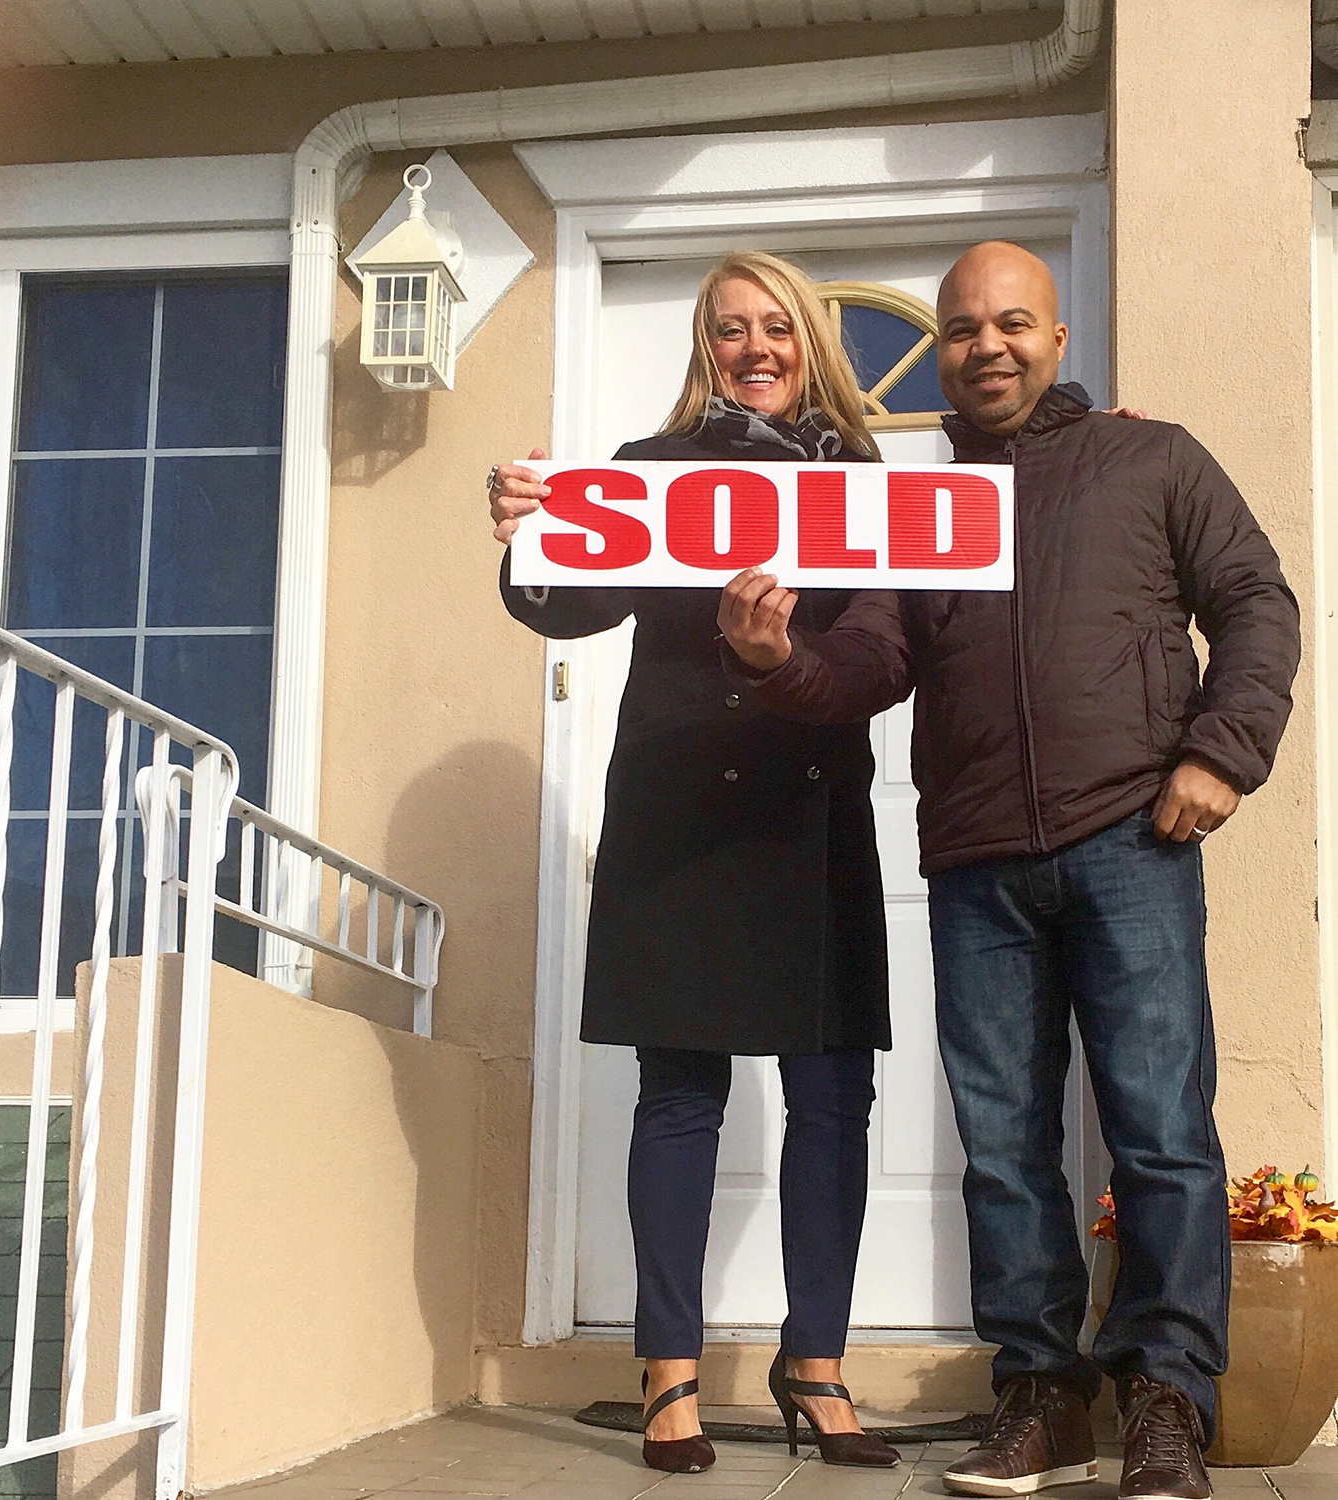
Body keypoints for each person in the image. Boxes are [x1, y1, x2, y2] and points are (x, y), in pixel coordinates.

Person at [719, 241, 1301, 1500]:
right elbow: (869, 663)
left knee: (1158, 1134)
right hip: (979, 863)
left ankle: (1166, 1399)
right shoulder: (929, 509)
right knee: (1005, 1150)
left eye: (1013, 323)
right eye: (964, 329)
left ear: (1058, 337)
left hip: (1133, 840)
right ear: (941, 349)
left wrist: (1223, 755)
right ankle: (1041, 1393)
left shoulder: (1154, 457)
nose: (987, 346)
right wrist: (776, 666)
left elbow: (1256, 599)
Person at [487, 252, 906, 1476]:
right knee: (679, 1097)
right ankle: (668, 1372)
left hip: (814, 811)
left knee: (834, 1098)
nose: (756, 348)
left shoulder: (861, 479)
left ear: (810, 341)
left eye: (778, 327)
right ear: (703, 345)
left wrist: (786, 664)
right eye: (732, 330)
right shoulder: (648, 471)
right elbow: (563, 609)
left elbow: (887, 647)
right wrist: (525, 536)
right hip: (679, 815)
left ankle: (815, 1366)